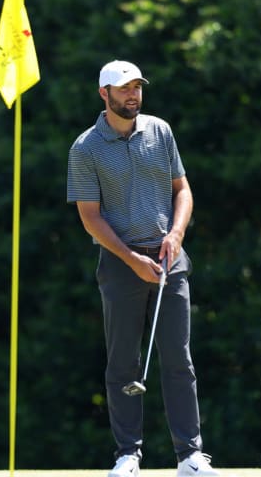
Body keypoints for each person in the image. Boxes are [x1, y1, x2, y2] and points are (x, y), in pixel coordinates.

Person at [66, 60, 219, 477]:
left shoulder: (160, 131)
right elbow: (90, 217)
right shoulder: (85, 148)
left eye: (137, 87)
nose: (133, 95)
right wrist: (132, 260)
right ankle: (127, 455)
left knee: (178, 359)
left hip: (169, 259)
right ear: (104, 94)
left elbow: (182, 190)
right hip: (121, 263)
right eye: (124, 88)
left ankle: (190, 456)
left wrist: (177, 234)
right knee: (123, 362)